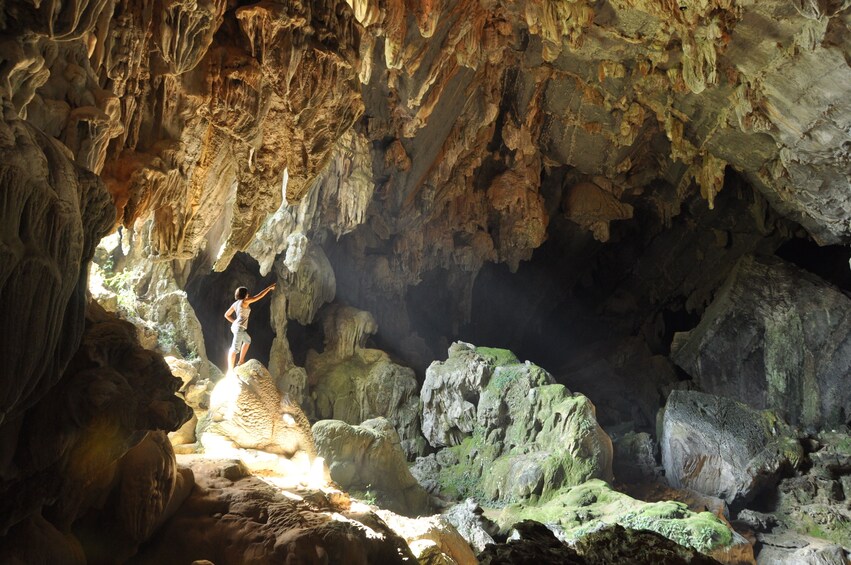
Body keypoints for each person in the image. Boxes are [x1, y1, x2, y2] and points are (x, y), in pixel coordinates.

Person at [224, 283, 275, 371]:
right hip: (239, 328)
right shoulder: (245, 301)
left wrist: (234, 322)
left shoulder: (235, 304)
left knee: (247, 340)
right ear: (245, 294)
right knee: (234, 349)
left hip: (238, 327)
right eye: (247, 293)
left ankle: (241, 361)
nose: (248, 294)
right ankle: (230, 370)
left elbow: (226, 315)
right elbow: (258, 296)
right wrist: (269, 288)